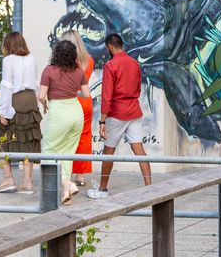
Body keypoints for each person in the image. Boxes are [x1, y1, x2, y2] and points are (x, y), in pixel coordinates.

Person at [87, 33, 152, 199]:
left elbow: (107, 96)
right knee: (139, 149)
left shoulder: (111, 65)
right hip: (134, 110)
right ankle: (149, 187)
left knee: (108, 151)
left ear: (109, 46)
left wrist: (102, 121)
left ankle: (102, 189)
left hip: (116, 113)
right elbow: (138, 88)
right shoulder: (134, 63)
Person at [38, 39, 89, 204]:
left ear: (56, 54)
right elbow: (86, 94)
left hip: (59, 112)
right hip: (76, 112)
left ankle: (67, 184)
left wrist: (45, 104)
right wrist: (72, 92)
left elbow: (41, 95)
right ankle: (65, 194)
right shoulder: (79, 71)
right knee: (67, 153)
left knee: (48, 149)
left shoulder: (49, 71)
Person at [0, 31, 41, 194]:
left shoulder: (8, 60)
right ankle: (27, 182)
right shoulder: (31, 58)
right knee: (28, 140)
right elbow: (35, 83)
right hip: (31, 100)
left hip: (16, 100)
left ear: (9, 45)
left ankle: (8, 178)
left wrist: (2, 111)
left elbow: (7, 85)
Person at [63, 30, 96, 189]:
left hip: (70, 101)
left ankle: (67, 173)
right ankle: (80, 174)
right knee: (84, 137)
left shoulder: (65, 62)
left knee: (67, 137)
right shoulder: (89, 60)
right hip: (85, 101)